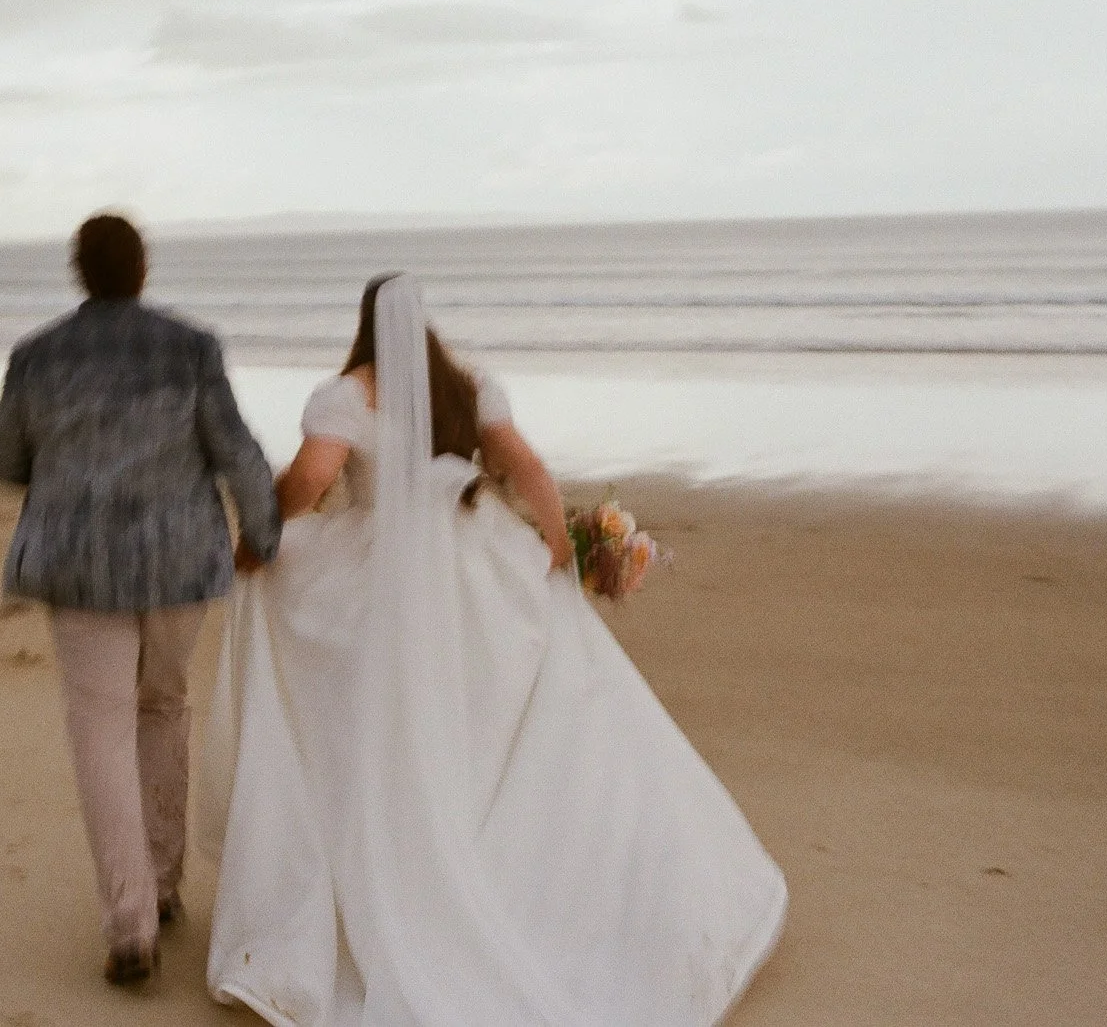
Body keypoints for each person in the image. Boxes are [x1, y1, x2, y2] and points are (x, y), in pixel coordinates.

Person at [200, 273, 785, 1025]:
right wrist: (554, 550)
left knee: (380, 717)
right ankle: (509, 868)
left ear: (366, 325)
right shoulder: (471, 385)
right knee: (497, 716)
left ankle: (395, 872)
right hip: (478, 557)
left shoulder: (348, 393)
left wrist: (263, 539)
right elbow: (530, 469)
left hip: (386, 568)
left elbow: (312, 478)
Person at [0, 213, 281, 989]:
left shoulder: (35, 356)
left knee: (100, 732)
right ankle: (165, 880)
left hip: (80, 567)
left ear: (79, 271)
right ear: (142, 269)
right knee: (163, 706)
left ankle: (130, 925)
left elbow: (1, 458)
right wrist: (267, 535)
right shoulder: (191, 349)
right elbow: (237, 452)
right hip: (179, 562)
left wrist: (70, 465)